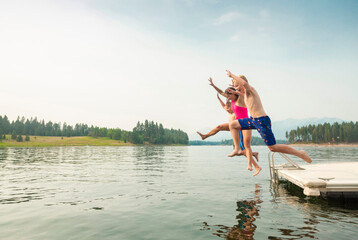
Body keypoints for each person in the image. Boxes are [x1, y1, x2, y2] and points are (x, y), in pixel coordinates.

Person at [225, 70, 312, 176]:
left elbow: (244, 84)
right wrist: (233, 88)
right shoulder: (244, 94)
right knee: (232, 124)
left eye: (238, 85)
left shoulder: (251, 90)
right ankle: (237, 148)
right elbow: (237, 91)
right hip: (253, 120)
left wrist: (232, 75)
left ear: (243, 83)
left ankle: (300, 153)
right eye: (235, 86)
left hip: (262, 121)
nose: (237, 88)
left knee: (273, 147)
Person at [197, 77, 259, 171]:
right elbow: (222, 92)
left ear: (234, 93)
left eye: (229, 95)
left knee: (245, 147)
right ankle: (205, 136)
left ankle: (253, 165)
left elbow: (244, 91)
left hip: (245, 124)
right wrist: (214, 85)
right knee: (219, 127)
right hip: (236, 124)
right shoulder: (233, 99)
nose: (228, 98)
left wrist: (237, 83)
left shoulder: (241, 99)